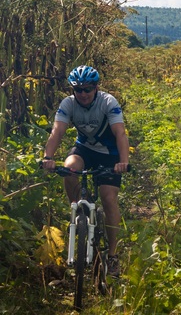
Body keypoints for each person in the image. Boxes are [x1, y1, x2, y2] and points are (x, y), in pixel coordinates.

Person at [42, 65, 130, 277]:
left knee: (108, 199)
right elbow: (57, 131)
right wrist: (48, 157)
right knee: (70, 168)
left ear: (96, 88)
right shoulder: (68, 104)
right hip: (85, 149)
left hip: (109, 153)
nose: (82, 94)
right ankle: (78, 211)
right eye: (78, 89)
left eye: (87, 89)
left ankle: (112, 255)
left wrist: (123, 162)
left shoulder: (108, 102)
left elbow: (120, 134)